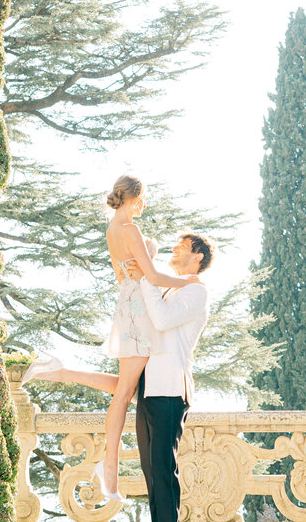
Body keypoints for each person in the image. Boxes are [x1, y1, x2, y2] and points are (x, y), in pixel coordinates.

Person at [20, 175, 199, 499]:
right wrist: (190, 282)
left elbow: (123, 276)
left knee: (129, 388)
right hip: (139, 311)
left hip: (129, 305)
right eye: (143, 199)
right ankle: (109, 466)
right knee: (126, 393)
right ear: (135, 198)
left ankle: (59, 372)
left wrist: (146, 266)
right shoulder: (130, 230)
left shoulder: (112, 231)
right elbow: (155, 276)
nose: (144, 205)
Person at [126, 231, 213, 522]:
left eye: (183, 246)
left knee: (163, 469)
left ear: (198, 259)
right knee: (151, 470)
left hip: (170, 388)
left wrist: (145, 278)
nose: (175, 248)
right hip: (148, 386)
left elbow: (161, 321)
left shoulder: (196, 291)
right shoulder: (167, 288)